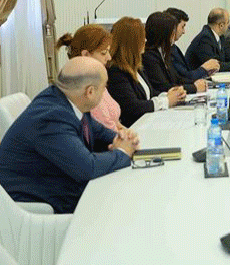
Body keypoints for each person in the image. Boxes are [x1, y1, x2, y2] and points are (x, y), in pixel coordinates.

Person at [0, 57, 138, 213]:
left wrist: (120, 138)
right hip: (38, 204)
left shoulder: (66, 99)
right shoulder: (51, 117)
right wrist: (123, 152)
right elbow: (87, 168)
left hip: (60, 186)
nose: (105, 91)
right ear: (90, 92)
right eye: (104, 87)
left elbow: (96, 130)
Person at [107, 17, 185, 127]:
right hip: (134, 127)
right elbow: (133, 107)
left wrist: (170, 94)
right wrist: (166, 101)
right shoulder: (116, 71)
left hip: (147, 122)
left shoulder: (136, 67)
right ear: (131, 42)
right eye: (141, 38)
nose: (145, 41)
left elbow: (150, 93)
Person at [56, 24, 122, 131]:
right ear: (86, 54)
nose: (109, 57)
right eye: (103, 53)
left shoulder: (96, 80)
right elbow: (106, 130)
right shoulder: (83, 89)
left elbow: (114, 123)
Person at [142, 11, 207, 94]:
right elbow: (163, 87)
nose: (174, 34)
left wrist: (195, 82)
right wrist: (194, 88)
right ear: (163, 33)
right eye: (172, 31)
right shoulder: (149, 56)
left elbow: (176, 79)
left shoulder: (163, 51)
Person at [165, 7, 219, 81]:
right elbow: (184, 77)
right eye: (182, 26)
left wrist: (206, 72)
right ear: (173, 26)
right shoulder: (168, 51)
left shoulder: (174, 47)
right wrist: (204, 68)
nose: (184, 31)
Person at [185, 8, 230, 72]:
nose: (229, 25)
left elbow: (225, 60)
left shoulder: (221, 37)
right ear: (221, 25)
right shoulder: (204, 38)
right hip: (195, 77)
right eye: (228, 22)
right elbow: (214, 66)